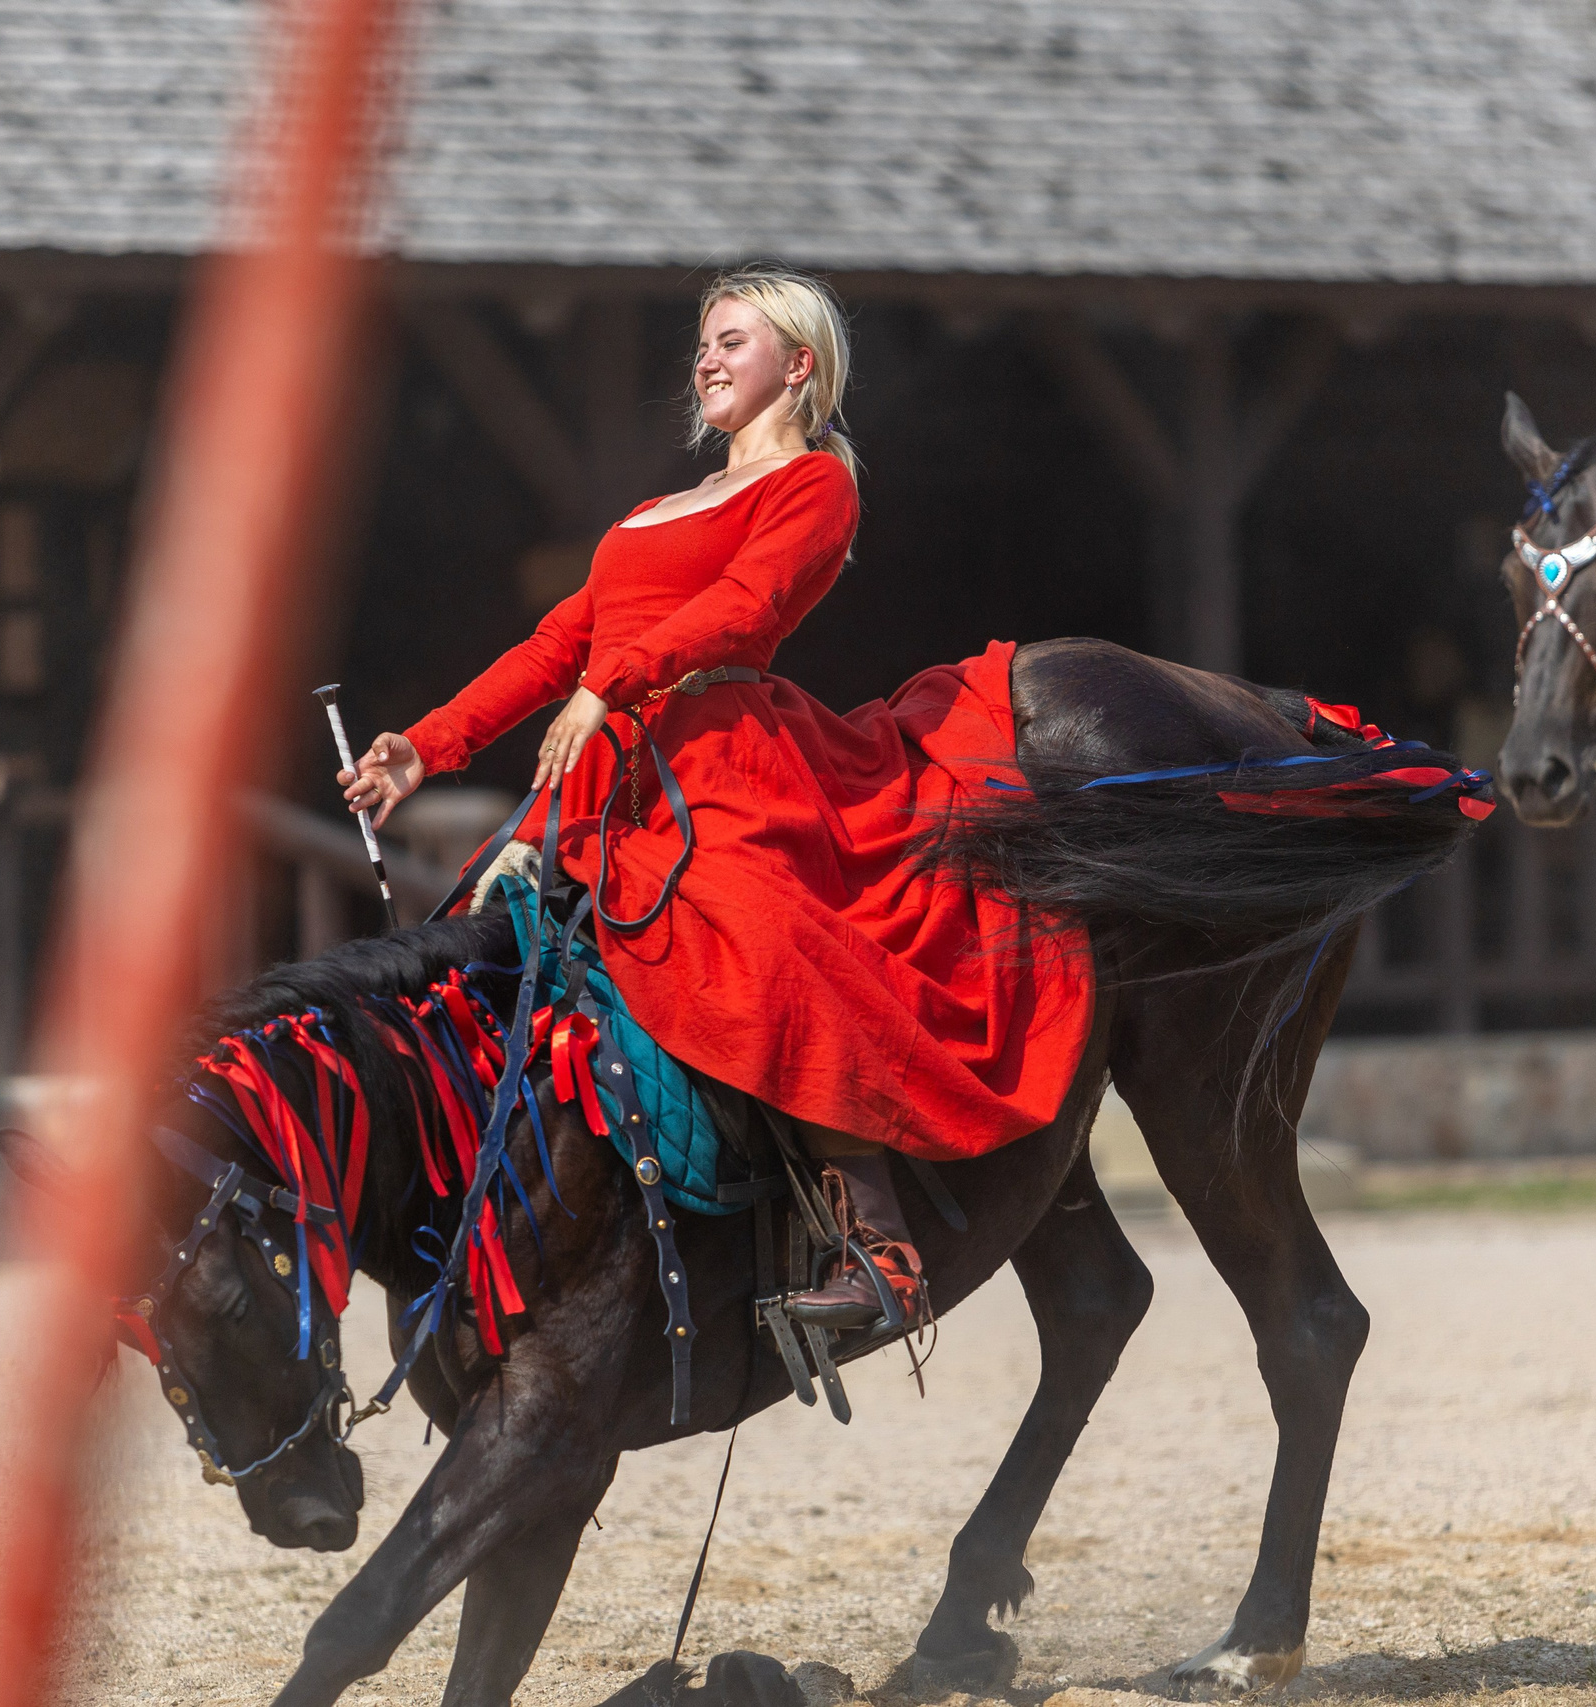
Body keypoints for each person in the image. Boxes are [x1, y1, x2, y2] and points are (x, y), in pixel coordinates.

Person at [338, 266, 1094, 1328]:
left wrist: (614, 686)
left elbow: (745, 610)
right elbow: (560, 641)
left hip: (730, 767)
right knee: (471, 963)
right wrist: (425, 746)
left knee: (763, 947)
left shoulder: (815, 485)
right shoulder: (655, 508)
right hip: (608, 786)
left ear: (798, 365)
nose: (704, 358)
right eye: (703, 342)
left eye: (730, 341)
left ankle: (878, 1251)